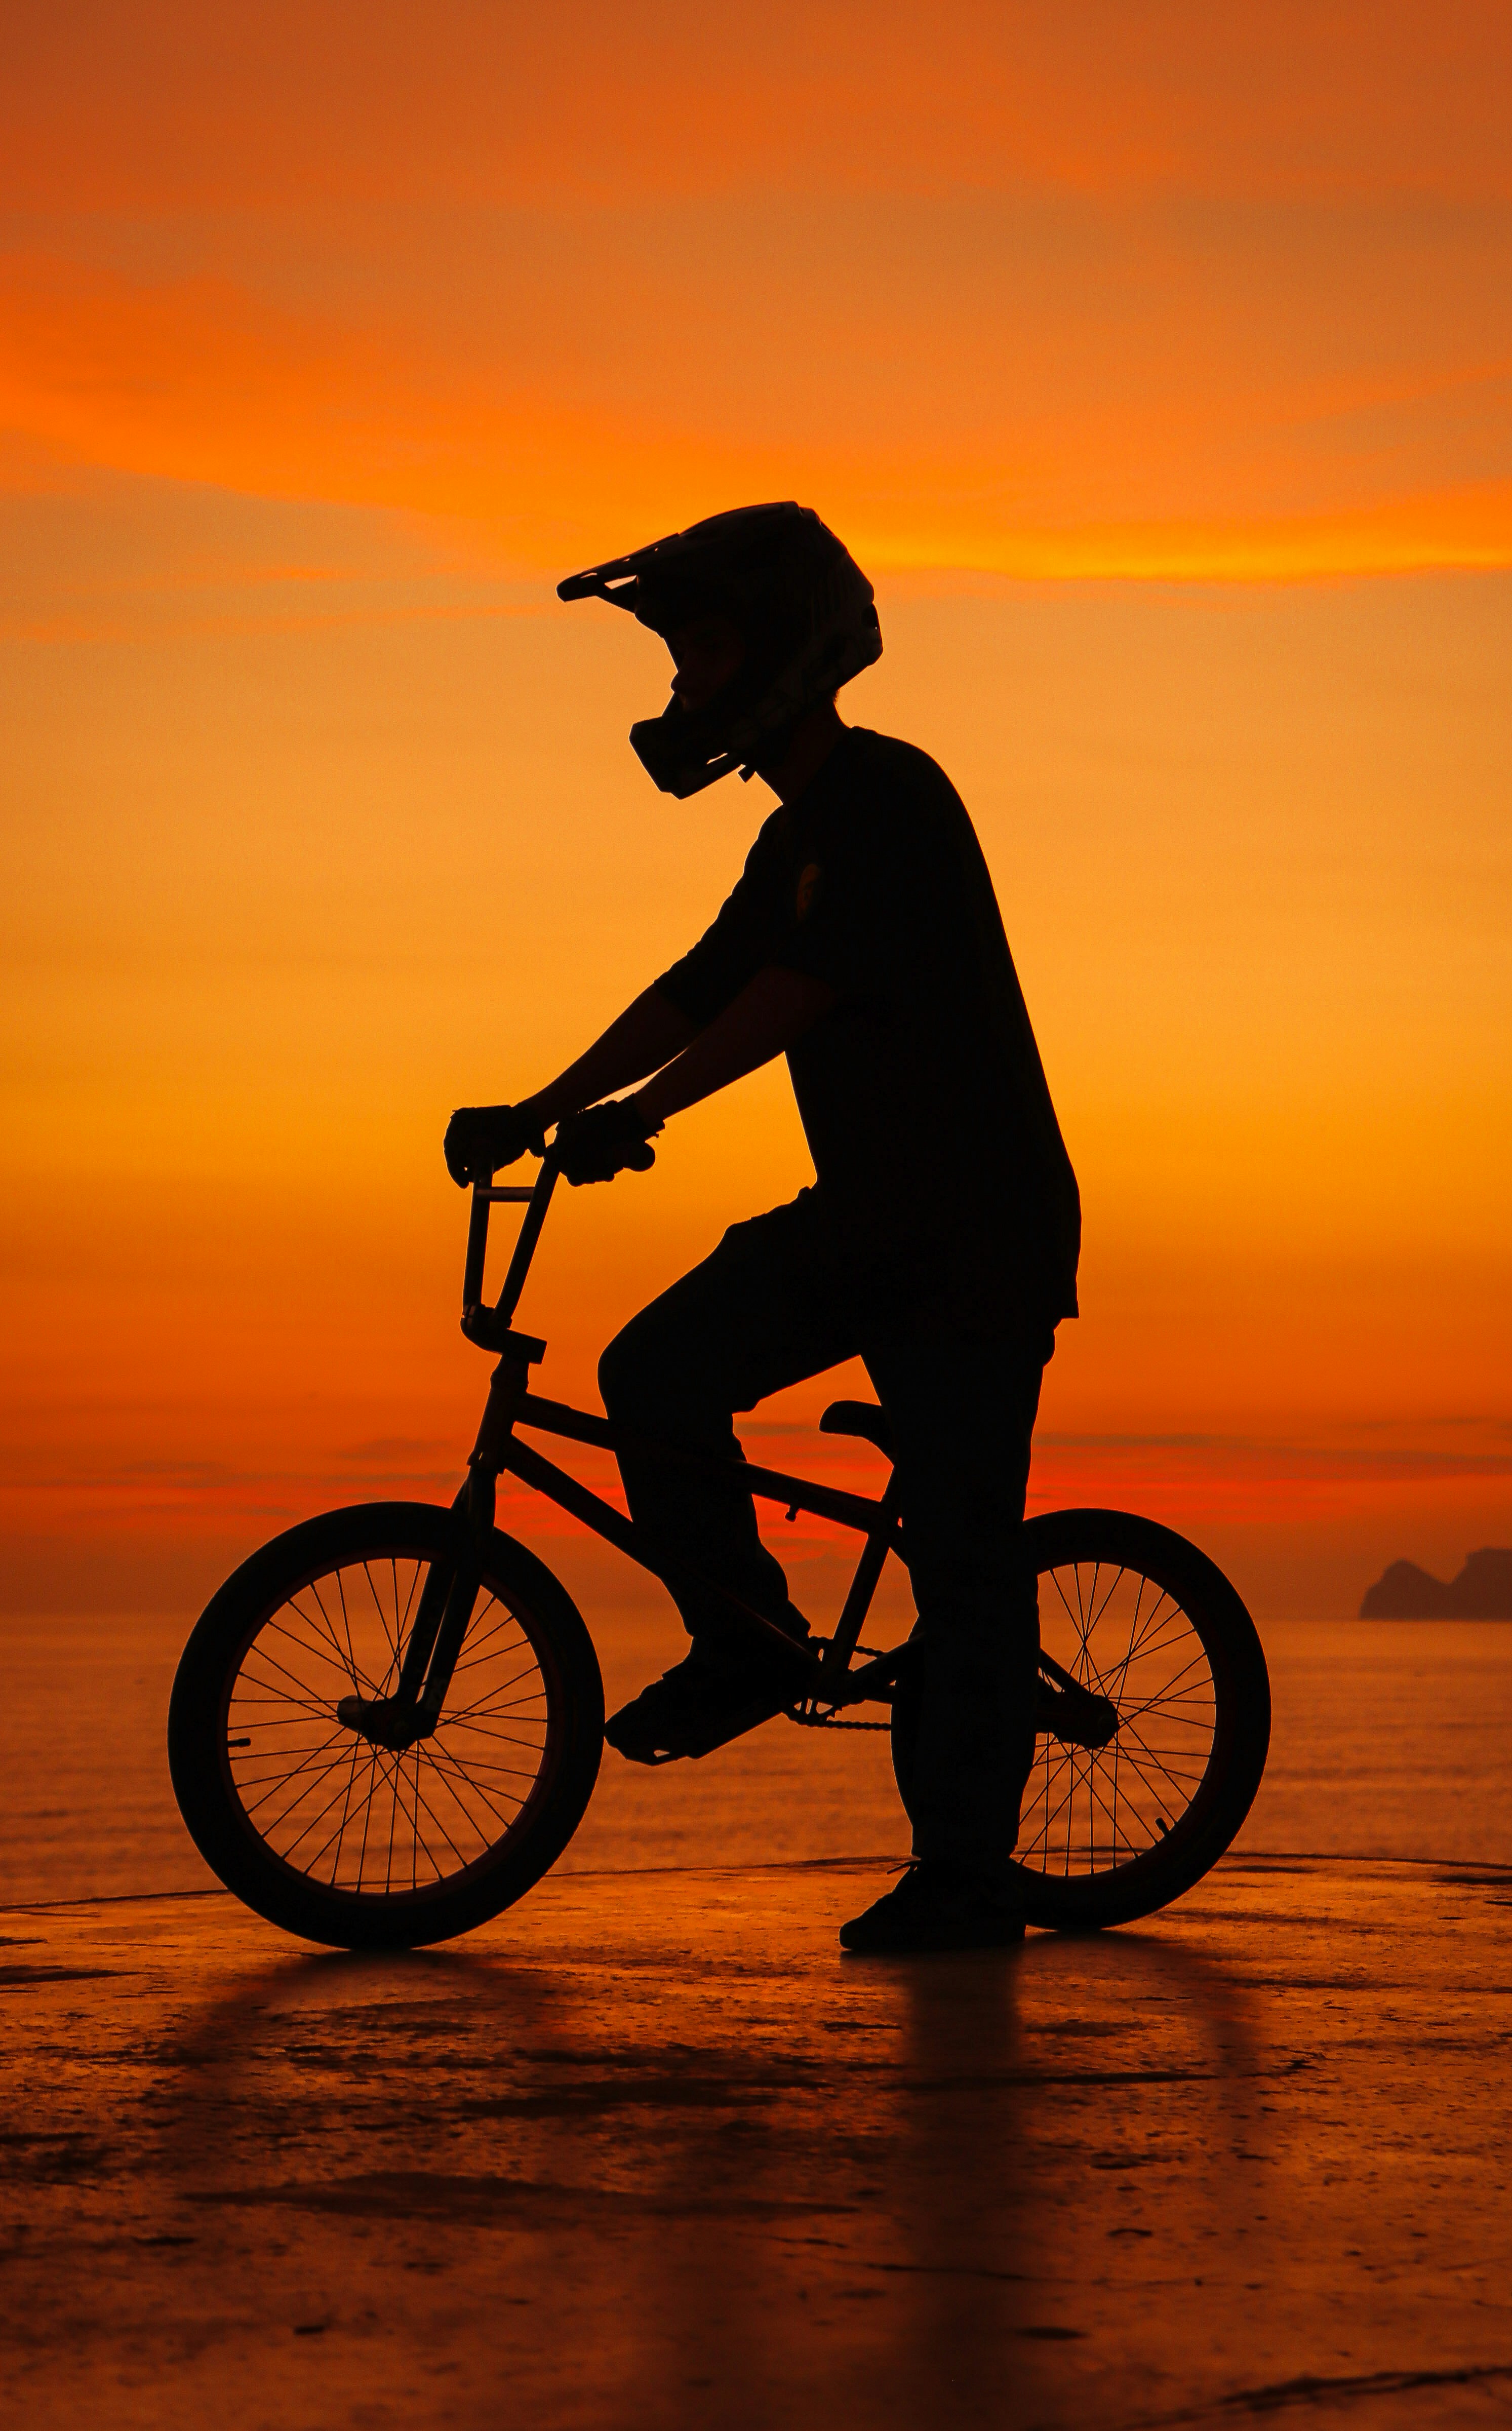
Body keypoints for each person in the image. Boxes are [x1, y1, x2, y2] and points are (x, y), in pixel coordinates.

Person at [444, 503, 1080, 1952]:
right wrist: (541, 1105)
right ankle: (743, 1636)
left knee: (966, 1550)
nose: (680, 690)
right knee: (656, 1373)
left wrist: (647, 1113)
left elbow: (795, 994)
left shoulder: (885, 800)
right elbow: (700, 984)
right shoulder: (795, 836)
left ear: (784, 658)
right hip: (867, 1221)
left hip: (974, 1234)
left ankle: (969, 1874)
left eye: (702, 656)